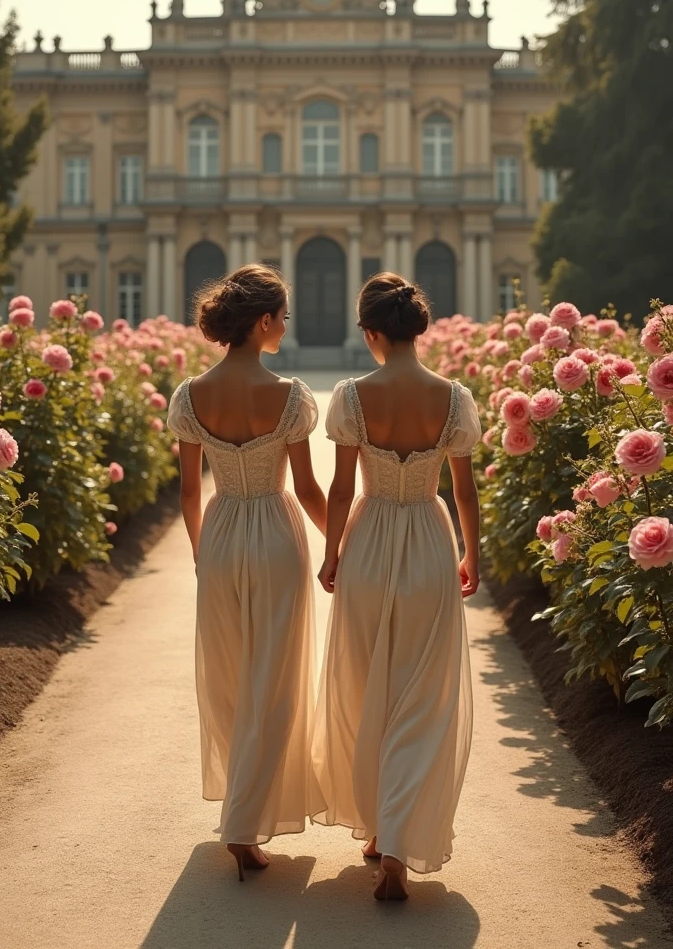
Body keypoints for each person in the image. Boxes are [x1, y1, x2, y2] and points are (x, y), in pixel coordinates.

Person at [312, 272, 481, 902]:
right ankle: (400, 840)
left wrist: (330, 555)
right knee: (424, 695)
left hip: (371, 538)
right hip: (431, 545)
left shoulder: (353, 397)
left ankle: (382, 832)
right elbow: (464, 492)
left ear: (372, 332)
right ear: (423, 328)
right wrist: (474, 557)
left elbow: (338, 487)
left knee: (367, 686)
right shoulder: (455, 398)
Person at [167, 264, 327, 882]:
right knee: (276, 680)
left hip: (222, 532)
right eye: (283, 317)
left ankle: (242, 810)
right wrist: (338, 541)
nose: (286, 327)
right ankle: (244, 822)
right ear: (263, 321)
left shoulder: (189, 395)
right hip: (277, 532)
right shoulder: (289, 396)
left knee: (229, 680)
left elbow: (188, 493)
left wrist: (204, 557)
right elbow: (309, 488)